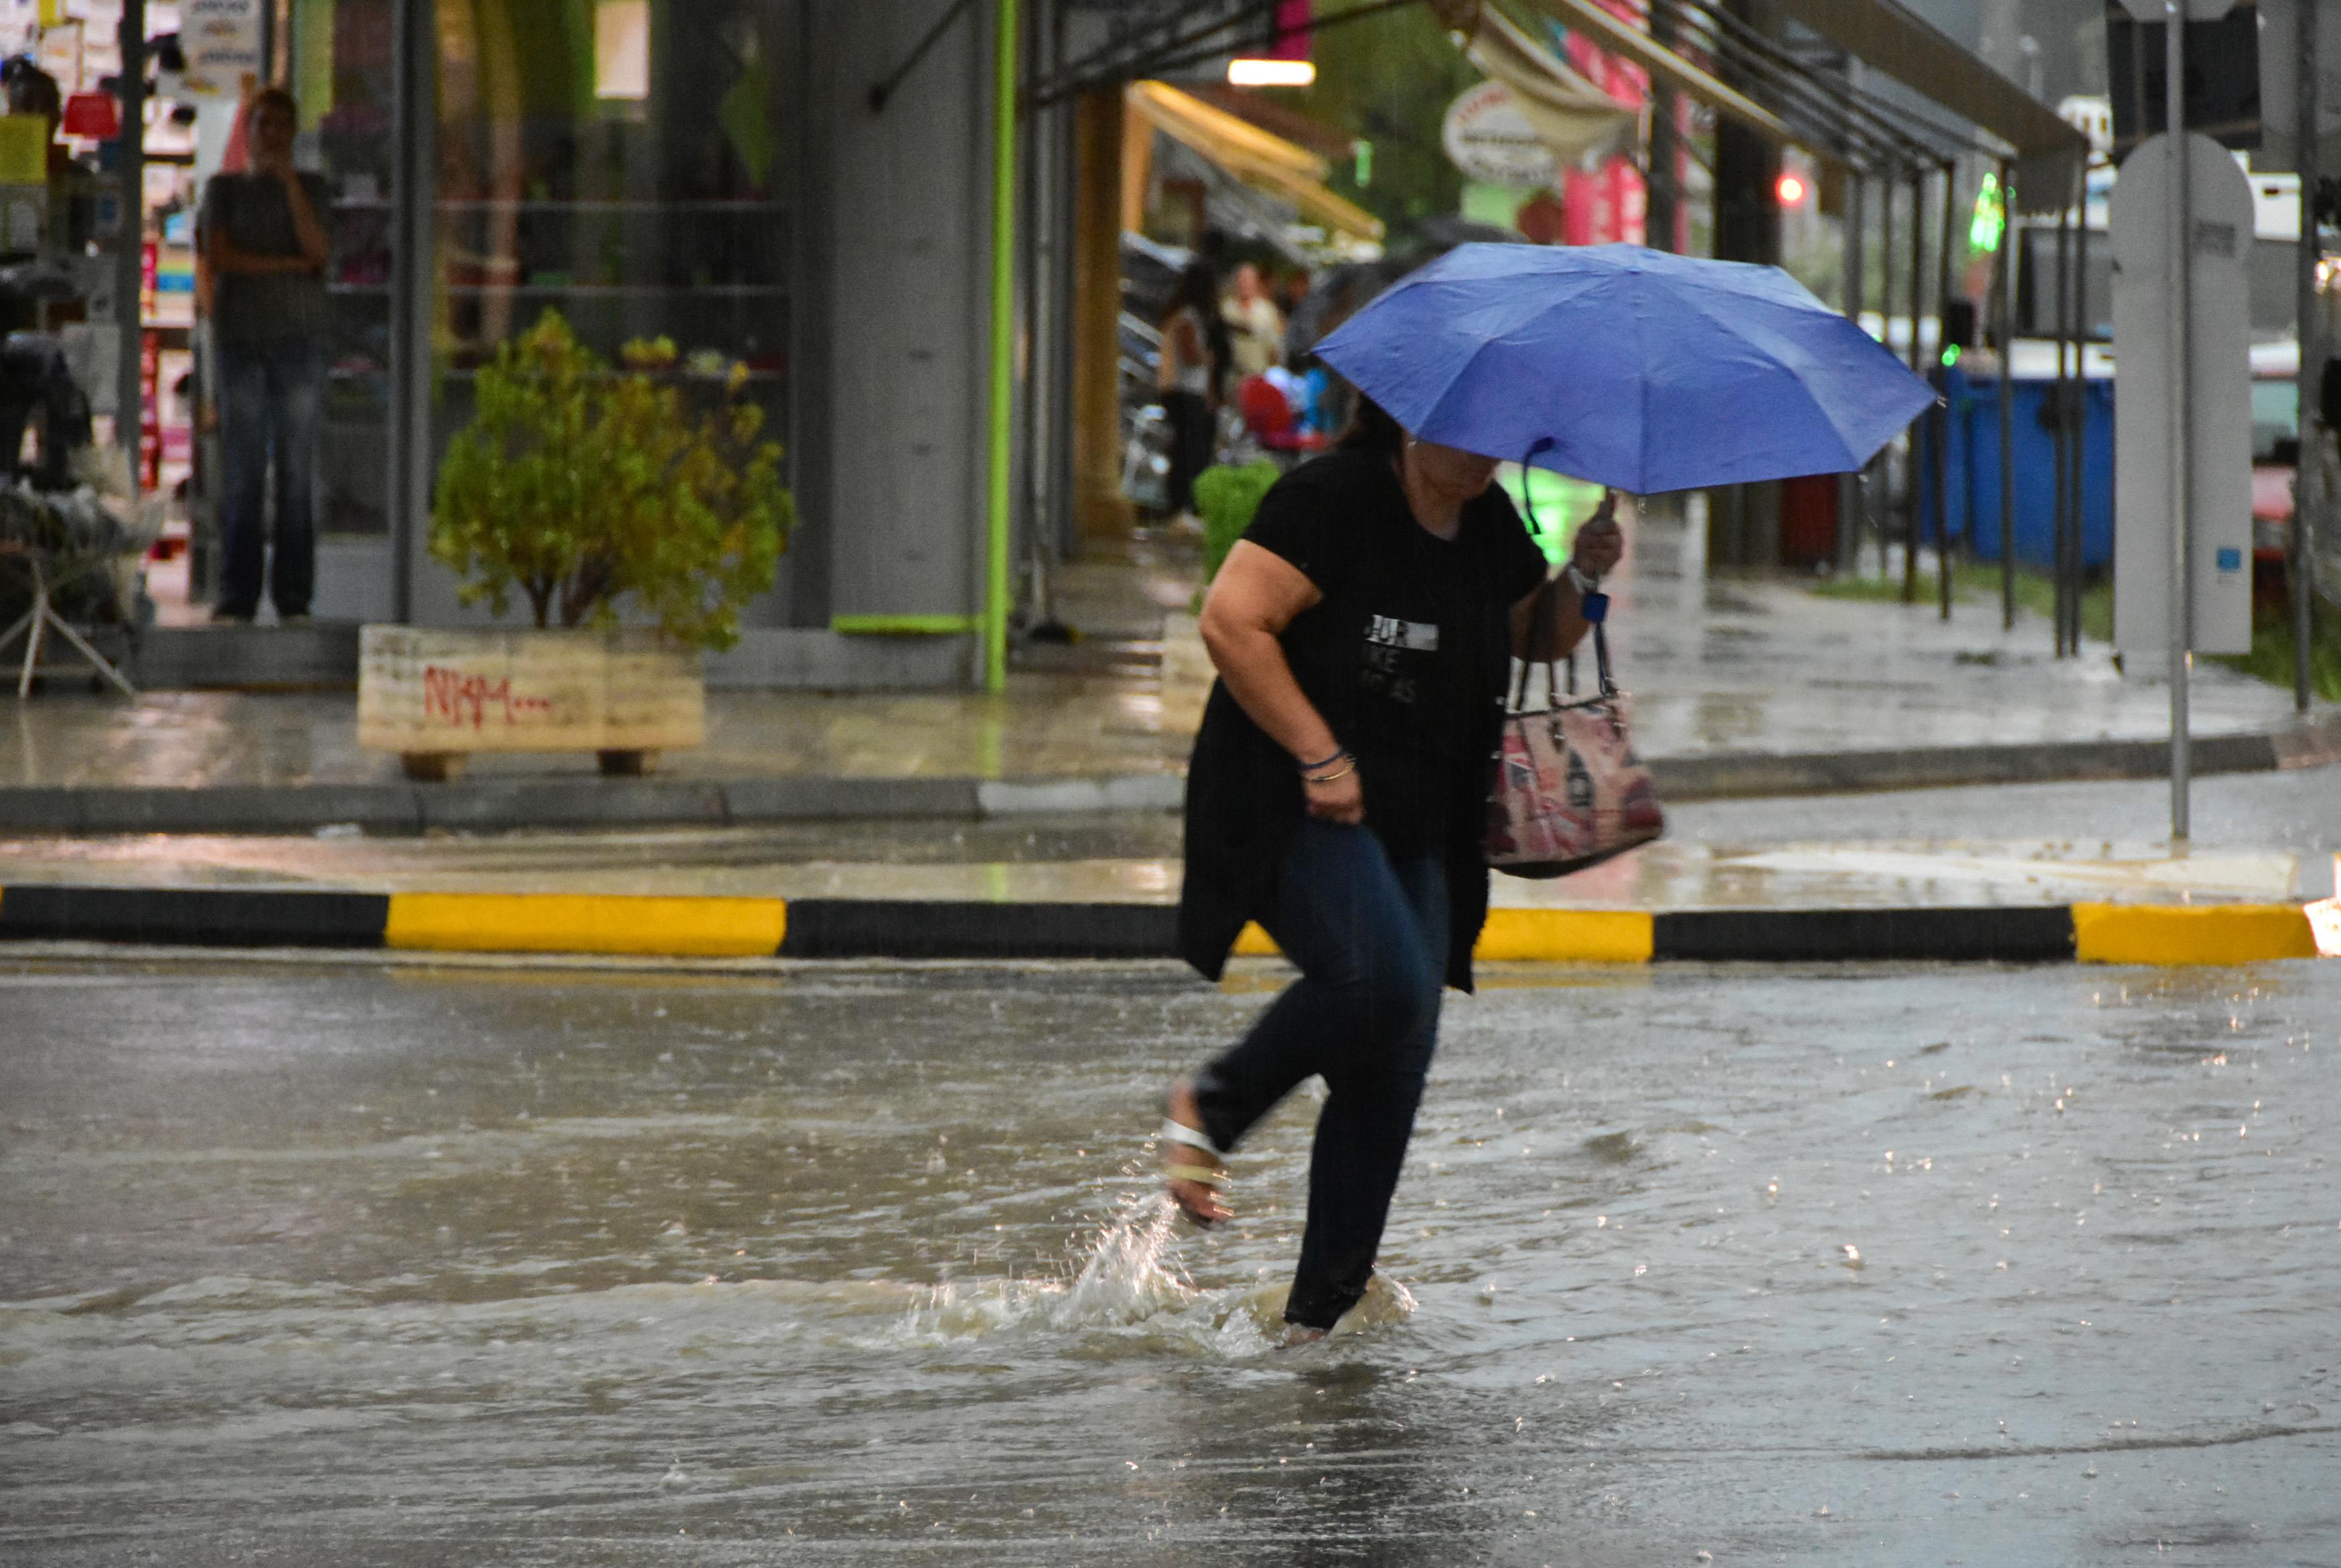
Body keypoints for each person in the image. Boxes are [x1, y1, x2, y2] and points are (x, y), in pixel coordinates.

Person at [1160, 396, 1625, 1344]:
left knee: (1398, 1046)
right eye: (1471, 431)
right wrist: (1320, 754)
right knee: (1381, 981)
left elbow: (1532, 633)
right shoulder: (1331, 499)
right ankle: (1210, 1103)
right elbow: (1231, 620)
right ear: (1412, 416)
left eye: (1501, 434)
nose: (1489, 452)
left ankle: (1317, 1316)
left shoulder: (1487, 522)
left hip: (1424, 819)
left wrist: (1585, 572)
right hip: (1291, 799)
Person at [199, 87, 330, 624]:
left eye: (281, 125)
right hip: (242, 343)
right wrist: (289, 266)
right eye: (262, 124)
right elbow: (221, 257)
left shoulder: (313, 188)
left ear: (293, 134)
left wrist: (290, 185)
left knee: (297, 470)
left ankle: (294, 597)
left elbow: (319, 251)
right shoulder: (224, 189)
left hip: (301, 342)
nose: (271, 134)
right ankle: (237, 595)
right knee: (244, 469)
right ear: (248, 132)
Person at [1156, 260, 1229, 521]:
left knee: (1189, 449)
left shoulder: (1182, 316)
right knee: (1188, 451)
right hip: (1183, 390)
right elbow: (1191, 355)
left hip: (1186, 390)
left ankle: (1183, 504)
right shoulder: (1187, 318)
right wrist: (1208, 358)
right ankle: (1182, 505)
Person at [1223, 261, 1286, 380]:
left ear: (1256, 283)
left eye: (1249, 280)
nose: (1245, 284)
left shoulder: (1268, 311)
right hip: (1232, 376)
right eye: (1242, 280)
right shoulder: (1226, 310)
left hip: (1259, 376)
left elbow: (1275, 347)